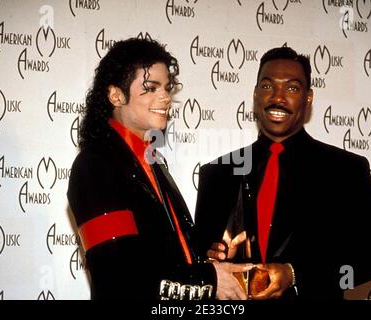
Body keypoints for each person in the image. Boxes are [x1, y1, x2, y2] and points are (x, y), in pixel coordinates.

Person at [194, 46, 371, 300]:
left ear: (308, 98)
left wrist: (294, 274)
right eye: (267, 86)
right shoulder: (216, 174)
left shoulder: (346, 170)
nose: (278, 97)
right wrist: (212, 260)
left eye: (292, 88)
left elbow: (368, 261)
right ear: (255, 94)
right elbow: (197, 257)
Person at [67, 38, 251, 300]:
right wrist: (208, 280)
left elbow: (168, 259)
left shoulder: (153, 164)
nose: (165, 97)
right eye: (151, 88)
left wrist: (209, 260)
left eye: (167, 87)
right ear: (116, 95)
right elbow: (118, 277)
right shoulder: (95, 166)